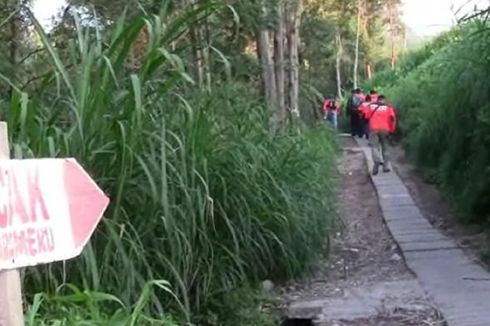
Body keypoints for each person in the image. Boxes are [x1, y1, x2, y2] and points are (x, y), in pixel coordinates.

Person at [361, 95, 396, 175]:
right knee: (385, 147)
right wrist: (392, 130)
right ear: (384, 100)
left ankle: (377, 160)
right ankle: (385, 166)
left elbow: (364, 115)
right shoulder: (388, 108)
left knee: (374, 146)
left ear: (378, 99)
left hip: (373, 128)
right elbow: (392, 119)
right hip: (385, 129)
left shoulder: (371, 106)